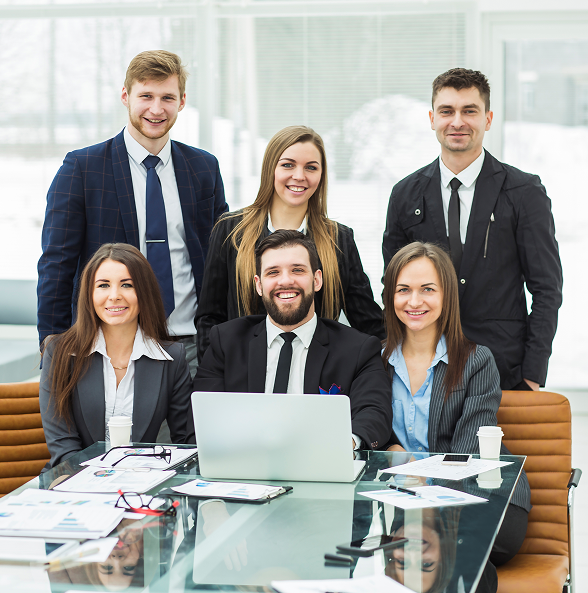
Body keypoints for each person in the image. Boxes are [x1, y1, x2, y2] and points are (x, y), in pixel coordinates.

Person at [37, 50, 228, 375]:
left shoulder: (203, 168)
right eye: (146, 96)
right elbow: (57, 263)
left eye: (167, 97)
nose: (156, 109)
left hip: (192, 345)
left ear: (182, 101)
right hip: (110, 343)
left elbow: (220, 259)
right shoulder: (83, 169)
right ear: (126, 96)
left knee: (193, 428)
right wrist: (52, 344)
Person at [382, 67, 562, 391]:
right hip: (425, 372)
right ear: (432, 118)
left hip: (503, 370)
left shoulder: (523, 191)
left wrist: (532, 374)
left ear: (488, 119)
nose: (457, 122)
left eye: (470, 111)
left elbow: (547, 289)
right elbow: (393, 285)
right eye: (447, 111)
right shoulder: (404, 194)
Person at [382, 241, 531, 593]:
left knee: (461, 552)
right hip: (408, 499)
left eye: (427, 290)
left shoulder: (477, 361)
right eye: (403, 290)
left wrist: (417, 486)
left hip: (481, 498)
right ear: (390, 296)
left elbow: (466, 456)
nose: (414, 302)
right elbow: (371, 431)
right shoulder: (374, 360)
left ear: (447, 295)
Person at [195, 125, 384, 362]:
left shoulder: (339, 239)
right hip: (242, 378)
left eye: (311, 168)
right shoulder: (231, 230)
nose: (299, 176)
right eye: (288, 165)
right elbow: (209, 319)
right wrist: (215, 381)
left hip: (315, 378)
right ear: (270, 169)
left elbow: (368, 324)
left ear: (321, 175)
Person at [193, 230, 394, 451]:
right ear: (259, 285)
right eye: (273, 272)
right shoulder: (226, 341)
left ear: (317, 280)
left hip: (321, 469)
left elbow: (374, 412)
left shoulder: (358, 349)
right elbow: (201, 416)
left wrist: (345, 444)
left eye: (297, 270)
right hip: (242, 470)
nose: (286, 281)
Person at [40, 243, 193, 468]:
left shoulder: (171, 358)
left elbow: (186, 442)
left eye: (127, 285)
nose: (114, 296)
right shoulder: (59, 352)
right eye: (103, 285)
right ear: (89, 294)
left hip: (141, 484)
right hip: (75, 481)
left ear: (144, 292)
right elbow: (63, 447)